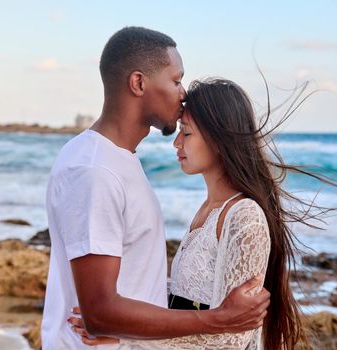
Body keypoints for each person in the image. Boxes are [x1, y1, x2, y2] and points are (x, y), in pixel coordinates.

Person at [41, 27, 270, 350]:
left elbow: (134, 285)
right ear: (138, 83)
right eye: (176, 80)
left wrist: (130, 332)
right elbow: (100, 312)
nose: (182, 93)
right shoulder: (95, 170)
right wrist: (217, 319)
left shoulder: (120, 162)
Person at [70, 78, 310, 349]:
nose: (176, 143)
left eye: (186, 132)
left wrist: (128, 335)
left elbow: (232, 339)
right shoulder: (207, 211)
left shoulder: (245, 217)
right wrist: (119, 328)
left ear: (219, 139)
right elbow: (190, 309)